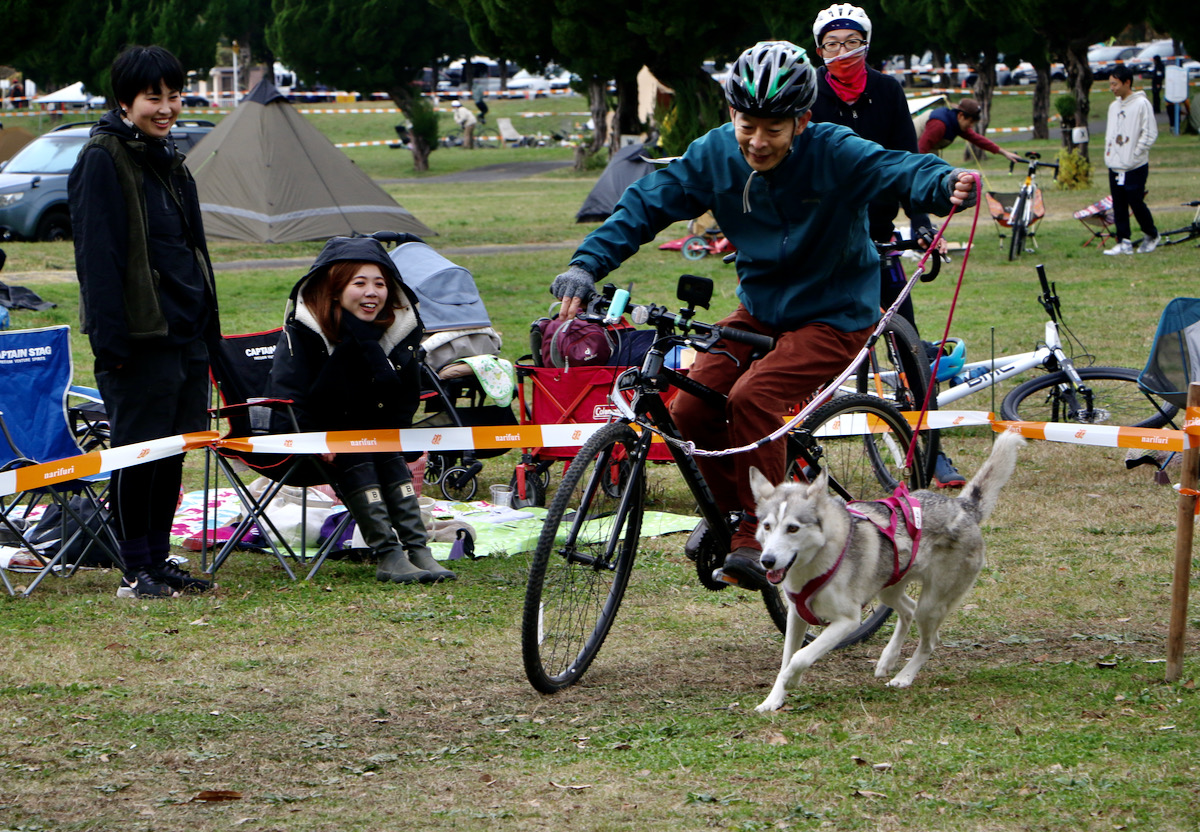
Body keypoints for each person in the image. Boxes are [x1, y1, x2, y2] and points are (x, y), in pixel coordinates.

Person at [549, 40, 978, 591]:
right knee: (692, 407)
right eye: (747, 124)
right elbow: (648, 202)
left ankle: (761, 532)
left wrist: (943, 184)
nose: (757, 140)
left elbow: (898, 166)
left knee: (754, 399)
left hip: (836, 315)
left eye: (773, 128)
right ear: (732, 114)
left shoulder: (834, 150)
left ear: (802, 120)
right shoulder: (714, 154)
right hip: (760, 311)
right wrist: (587, 265)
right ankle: (733, 522)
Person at [68, 45, 220, 599]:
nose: (166, 107)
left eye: (174, 95)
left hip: (184, 331)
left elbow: (191, 250)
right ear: (124, 101)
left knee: (172, 450)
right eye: (153, 96)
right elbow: (98, 258)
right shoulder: (103, 157)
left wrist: (210, 332)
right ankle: (136, 570)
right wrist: (111, 345)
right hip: (137, 337)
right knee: (139, 454)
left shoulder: (168, 157)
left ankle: (158, 559)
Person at [808, 3, 964, 488]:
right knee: (800, 341)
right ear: (819, 49)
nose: (842, 52)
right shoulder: (808, 88)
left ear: (866, 44)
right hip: (821, 236)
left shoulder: (887, 90)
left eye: (851, 42)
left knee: (907, 341)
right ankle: (790, 446)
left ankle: (931, 450)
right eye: (832, 44)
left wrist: (919, 218)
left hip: (877, 233)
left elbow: (906, 162)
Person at [267, 236, 455, 584]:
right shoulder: (303, 333)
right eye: (360, 283)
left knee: (384, 452)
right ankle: (388, 554)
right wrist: (313, 438)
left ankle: (417, 549)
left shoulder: (395, 335)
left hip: (373, 435)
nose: (373, 292)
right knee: (360, 452)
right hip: (314, 440)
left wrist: (396, 435)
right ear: (336, 289)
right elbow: (286, 395)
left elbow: (406, 396)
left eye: (381, 284)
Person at [1103, 65, 1161, 255]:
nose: (1112, 88)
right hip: (1115, 165)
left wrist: (1135, 154)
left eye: (1115, 84)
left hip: (1135, 165)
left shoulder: (1141, 104)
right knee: (1118, 203)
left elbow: (1150, 132)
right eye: (1110, 84)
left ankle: (1151, 234)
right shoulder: (1113, 107)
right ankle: (1123, 240)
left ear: (1127, 82)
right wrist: (1110, 154)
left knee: (1135, 201)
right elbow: (1111, 134)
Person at [917, 98, 1023, 164]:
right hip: (908, 149)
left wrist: (1004, 153)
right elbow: (920, 150)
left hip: (922, 152)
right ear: (961, 115)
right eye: (970, 121)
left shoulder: (956, 122)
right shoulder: (939, 125)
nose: (971, 126)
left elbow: (978, 140)